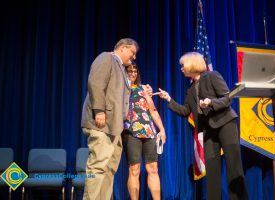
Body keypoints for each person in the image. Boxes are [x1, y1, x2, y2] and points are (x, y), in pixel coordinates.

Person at [157, 52, 248, 200]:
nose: (181, 68)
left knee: (234, 167)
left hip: (225, 124)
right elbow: (185, 111)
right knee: (212, 172)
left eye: (183, 65)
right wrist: (168, 99)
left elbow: (227, 99)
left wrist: (211, 103)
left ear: (192, 64)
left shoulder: (212, 76)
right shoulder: (191, 89)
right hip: (207, 131)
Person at [81, 38, 139, 200]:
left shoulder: (121, 67)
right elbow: (96, 83)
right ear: (122, 48)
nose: (134, 57)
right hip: (102, 124)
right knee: (98, 168)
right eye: (132, 53)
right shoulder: (107, 58)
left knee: (109, 170)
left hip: (115, 128)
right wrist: (99, 111)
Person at [122, 63, 166, 200]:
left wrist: (162, 130)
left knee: (153, 169)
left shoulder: (144, 89)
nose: (133, 74)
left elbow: (152, 111)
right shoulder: (121, 88)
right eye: (130, 71)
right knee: (134, 170)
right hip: (131, 132)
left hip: (148, 132)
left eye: (135, 71)